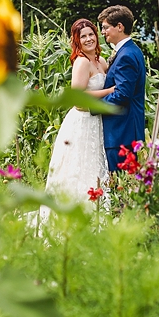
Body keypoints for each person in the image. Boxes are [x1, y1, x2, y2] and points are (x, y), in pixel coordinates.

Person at [42, 19, 114, 203]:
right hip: (82, 121)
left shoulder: (101, 61)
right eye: (83, 36)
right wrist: (109, 91)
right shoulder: (81, 63)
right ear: (77, 40)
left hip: (97, 120)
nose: (89, 39)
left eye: (91, 34)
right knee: (79, 166)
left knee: (95, 164)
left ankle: (99, 204)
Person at [98, 5, 146, 172]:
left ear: (120, 26)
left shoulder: (126, 55)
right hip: (125, 132)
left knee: (120, 186)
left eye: (105, 28)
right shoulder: (129, 51)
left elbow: (122, 95)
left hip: (121, 133)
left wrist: (94, 105)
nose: (102, 32)